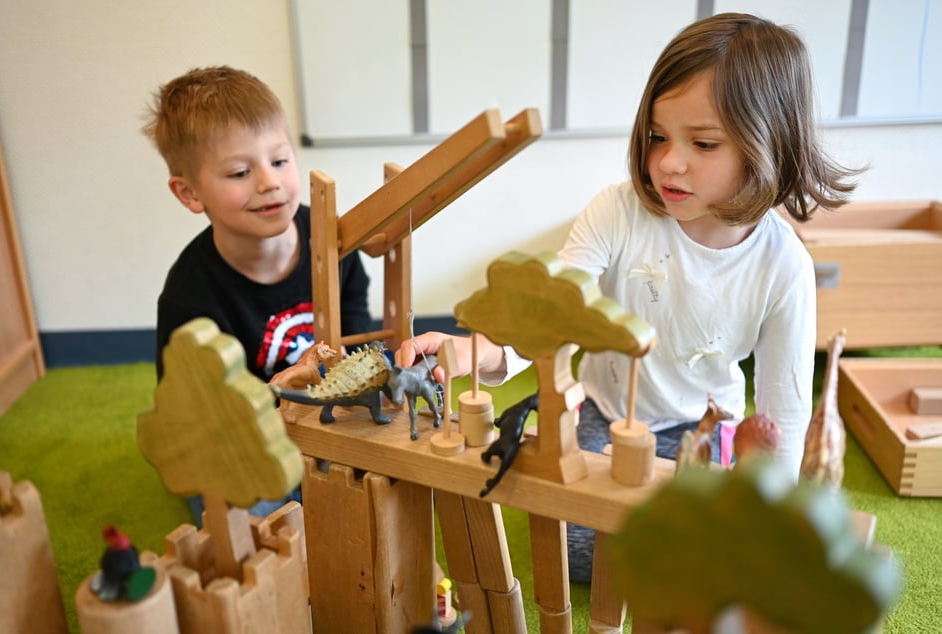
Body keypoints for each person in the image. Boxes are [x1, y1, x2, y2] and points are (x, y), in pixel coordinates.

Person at [396, 12, 861, 583]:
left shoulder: (784, 265)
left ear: (769, 147)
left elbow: (782, 413)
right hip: (609, 411)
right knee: (577, 549)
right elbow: (551, 310)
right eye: (658, 137)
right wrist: (482, 352)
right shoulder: (617, 213)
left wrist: (774, 512)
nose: (670, 161)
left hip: (705, 425)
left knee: (711, 549)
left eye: (704, 142)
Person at [143, 66, 372, 525]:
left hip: (327, 416)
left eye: (280, 161)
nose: (268, 182)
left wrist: (346, 370)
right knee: (245, 517)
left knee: (381, 484)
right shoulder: (190, 298)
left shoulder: (332, 239)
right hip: (250, 434)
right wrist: (281, 391)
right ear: (189, 193)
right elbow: (195, 408)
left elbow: (359, 321)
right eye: (240, 172)